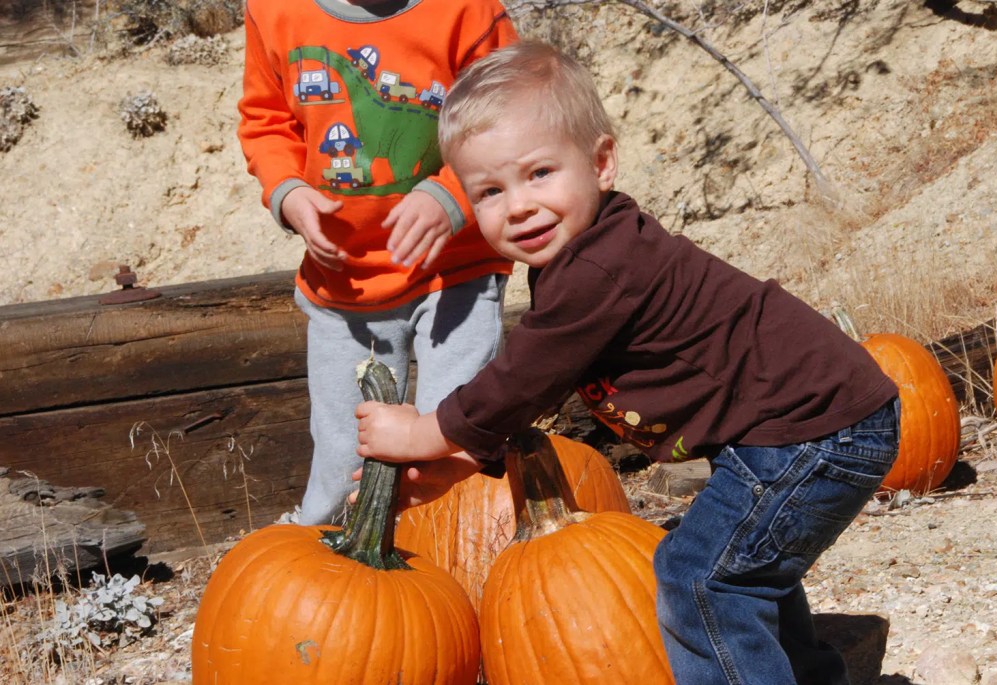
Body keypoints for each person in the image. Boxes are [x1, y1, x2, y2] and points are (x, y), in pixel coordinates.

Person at [355, 41, 902, 684]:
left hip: (813, 430)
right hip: (799, 428)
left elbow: (520, 377)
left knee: (700, 580)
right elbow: (543, 384)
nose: (519, 205)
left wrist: (426, 432)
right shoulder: (586, 257)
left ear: (602, 162)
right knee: (744, 570)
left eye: (539, 174)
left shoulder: (599, 266)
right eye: (490, 192)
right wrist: (464, 458)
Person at [237, 0, 518, 525]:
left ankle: (460, 565)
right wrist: (288, 191)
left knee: (451, 437)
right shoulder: (274, 10)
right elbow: (265, 118)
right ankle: (330, 557)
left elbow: (510, 110)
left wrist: (452, 194)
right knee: (344, 448)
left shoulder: (467, 10)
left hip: (455, 268)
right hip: (344, 280)